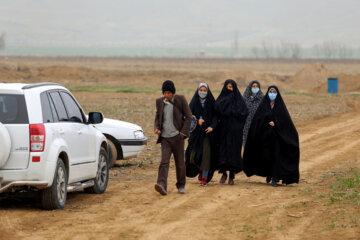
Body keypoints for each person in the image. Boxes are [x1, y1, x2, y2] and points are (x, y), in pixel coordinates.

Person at [243, 86, 300, 187]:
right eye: (271, 91)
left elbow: (285, 123)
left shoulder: (280, 107)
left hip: (278, 139)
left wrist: (276, 124)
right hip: (265, 139)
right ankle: (269, 174)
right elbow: (257, 121)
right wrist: (266, 122)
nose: (272, 94)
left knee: (277, 157)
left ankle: (275, 177)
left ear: (277, 94)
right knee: (266, 157)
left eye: (274, 92)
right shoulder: (263, 105)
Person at [154, 80, 192, 195]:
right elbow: (157, 117)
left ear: (173, 92)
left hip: (177, 137)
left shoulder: (180, 99)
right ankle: (161, 185)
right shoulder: (159, 102)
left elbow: (189, 116)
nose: (167, 95)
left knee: (180, 163)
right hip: (165, 138)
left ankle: (181, 185)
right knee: (164, 162)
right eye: (165, 93)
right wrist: (157, 127)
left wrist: (183, 133)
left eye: (169, 93)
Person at [214, 79, 249, 185]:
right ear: (225, 87)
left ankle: (232, 176)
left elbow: (244, 113)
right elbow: (217, 109)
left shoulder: (239, 100)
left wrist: (238, 125)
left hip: (235, 133)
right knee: (223, 152)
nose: (230, 89)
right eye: (228, 87)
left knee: (234, 152)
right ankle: (224, 174)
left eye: (232, 87)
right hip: (223, 131)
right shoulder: (221, 99)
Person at [185, 83, 218, 186]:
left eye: (205, 90)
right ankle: (199, 170)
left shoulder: (212, 102)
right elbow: (189, 116)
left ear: (208, 92)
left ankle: (204, 176)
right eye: (201, 90)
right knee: (193, 155)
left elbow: (216, 117)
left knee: (206, 155)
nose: (203, 92)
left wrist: (212, 126)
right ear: (198, 91)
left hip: (208, 134)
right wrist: (196, 121)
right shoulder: (194, 102)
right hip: (196, 134)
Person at [243, 80, 264, 147]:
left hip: (258, 124)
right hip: (246, 125)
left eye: (257, 86)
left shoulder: (262, 98)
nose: (255, 88)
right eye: (253, 86)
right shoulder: (245, 98)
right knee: (247, 144)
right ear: (250, 87)